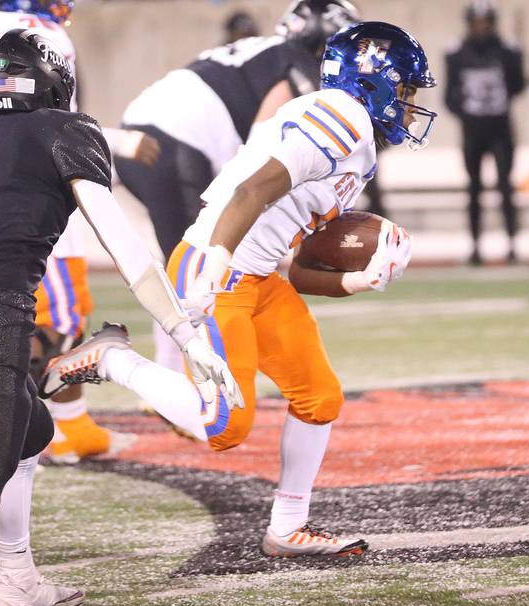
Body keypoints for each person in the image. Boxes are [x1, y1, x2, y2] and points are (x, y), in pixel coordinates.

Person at [0, 29, 240, 606]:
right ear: (45, 81)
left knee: (33, 435)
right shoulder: (64, 130)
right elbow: (124, 246)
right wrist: (184, 332)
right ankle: (10, 574)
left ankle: (17, 578)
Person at [43, 21, 428, 558]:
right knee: (222, 425)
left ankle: (288, 528)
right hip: (219, 268)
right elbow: (252, 190)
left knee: (319, 399)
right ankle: (111, 358)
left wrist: (358, 278)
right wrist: (214, 265)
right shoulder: (344, 117)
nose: (411, 108)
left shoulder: (358, 146)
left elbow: (296, 270)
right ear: (378, 84)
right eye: (407, 91)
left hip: (261, 276)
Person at [115, 0, 359, 375]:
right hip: (176, 146)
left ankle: (170, 371)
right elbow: (266, 143)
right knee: (197, 269)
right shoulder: (294, 62)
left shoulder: (264, 49)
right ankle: (168, 378)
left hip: (143, 133)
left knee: (184, 262)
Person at [0, 0, 161, 464]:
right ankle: (24, 434)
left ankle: (70, 427)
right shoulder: (30, 34)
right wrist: (115, 140)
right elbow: (34, 119)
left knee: (60, 318)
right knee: (54, 322)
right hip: (30, 190)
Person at [445, 0, 524, 266]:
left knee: (505, 186)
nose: (481, 29)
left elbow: (518, 85)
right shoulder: (457, 52)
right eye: (476, 23)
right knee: (474, 188)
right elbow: (449, 96)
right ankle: (475, 245)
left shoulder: (506, 50)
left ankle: (513, 244)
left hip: (500, 128)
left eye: (485, 23)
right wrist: (469, 112)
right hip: (473, 130)